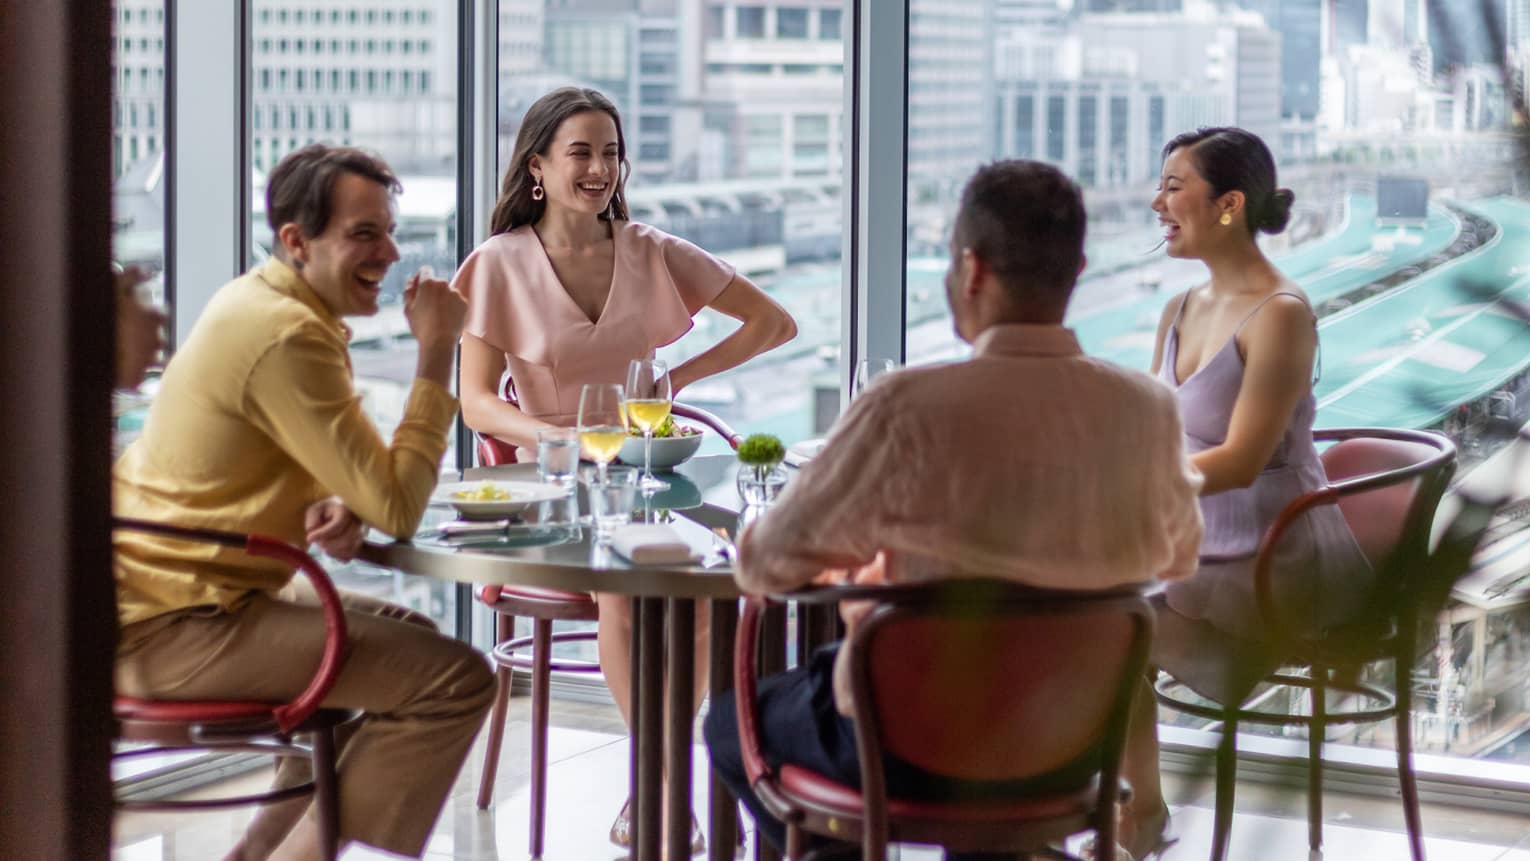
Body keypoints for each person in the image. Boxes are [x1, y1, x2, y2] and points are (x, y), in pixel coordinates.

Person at [702, 160, 1205, 860]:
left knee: (731, 721)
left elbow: (765, 563)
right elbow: (1176, 556)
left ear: (970, 269)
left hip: (913, 746)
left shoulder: (907, 406)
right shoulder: (1146, 409)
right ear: (1078, 268)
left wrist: (873, 569)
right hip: (1069, 746)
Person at [113, 144, 495, 861]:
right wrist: (438, 350)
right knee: (455, 678)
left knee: (404, 635)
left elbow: (309, 463)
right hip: (172, 627)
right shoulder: (289, 335)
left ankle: (258, 855)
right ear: (296, 241)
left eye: (387, 230)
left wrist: (331, 496)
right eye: (363, 234)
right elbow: (400, 506)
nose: (389, 251)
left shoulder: (260, 301)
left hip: (165, 598)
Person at [452, 86, 796, 850]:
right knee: (625, 592)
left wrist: (677, 382)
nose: (600, 168)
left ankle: (658, 785)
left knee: (711, 596)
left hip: (641, 476)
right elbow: (476, 403)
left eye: (611, 152)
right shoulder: (497, 263)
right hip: (553, 491)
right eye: (581, 152)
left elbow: (775, 322)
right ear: (537, 165)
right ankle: (665, 782)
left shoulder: (651, 250)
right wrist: (552, 435)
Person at [1116, 127, 1372, 858]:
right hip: (1197, 547)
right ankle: (1136, 814)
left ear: (1228, 204)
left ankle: (1132, 816)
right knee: (1088, 606)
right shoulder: (1178, 308)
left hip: (1271, 557)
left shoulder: (1282, 314)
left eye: (1173, 185)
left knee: (1103, 624)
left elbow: (1239, 460)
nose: (1155, 201)